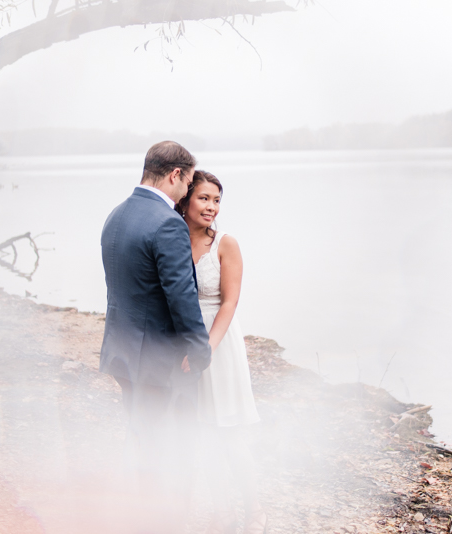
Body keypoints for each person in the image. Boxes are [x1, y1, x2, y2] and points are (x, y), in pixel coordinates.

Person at [99, 141, 212, 532]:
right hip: (159, 360)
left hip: (122, 352)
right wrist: (200, 350)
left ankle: (135, 514)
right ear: (175, 175)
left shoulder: (117, 215)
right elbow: (181, 295)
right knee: (172, 444)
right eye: (188, 183)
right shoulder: (167, 223)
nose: (186, 194)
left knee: (141, 433)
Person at [176, 170, 267, 534]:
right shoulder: (174, 239)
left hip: (218, 343)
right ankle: (222, 511)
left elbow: (229, 303)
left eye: (216, 200)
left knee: (229, 433)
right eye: (204, 198)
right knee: (202, 432)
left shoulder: (226, 244)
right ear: (185, 199)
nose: (212, 207)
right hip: (184, 342)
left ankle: (254, 510)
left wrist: (205, 350)